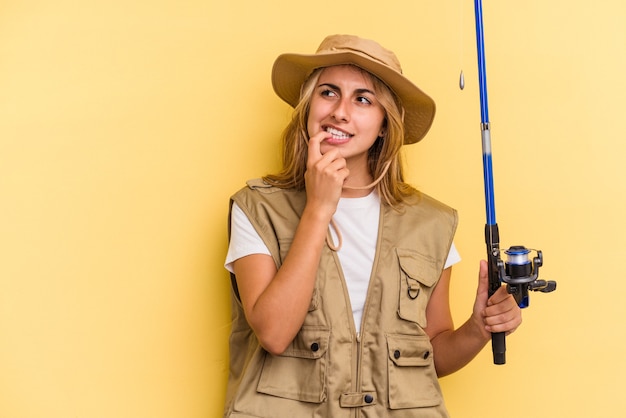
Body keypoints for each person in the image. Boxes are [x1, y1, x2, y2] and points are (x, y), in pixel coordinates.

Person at [223, 34, 521, 418]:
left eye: (363, 99)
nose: (341, 112)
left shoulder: (431, 223)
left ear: (384, 124)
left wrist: (478, 329)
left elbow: (429, 356)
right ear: (309, 105)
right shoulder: (257, 207)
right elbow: (274, 333)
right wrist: (318, 209)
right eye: (328, 93)